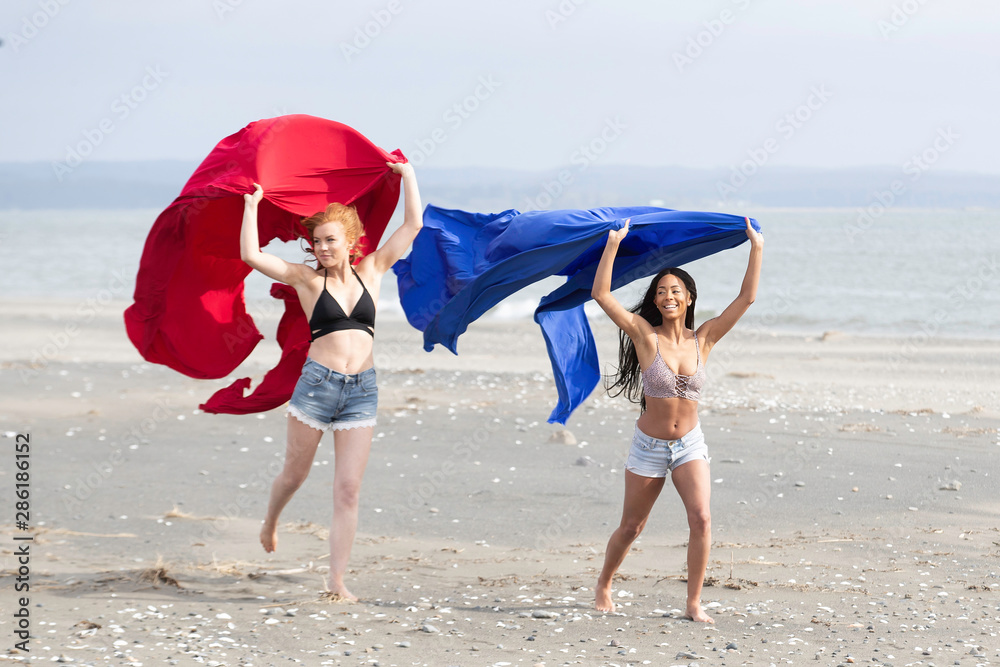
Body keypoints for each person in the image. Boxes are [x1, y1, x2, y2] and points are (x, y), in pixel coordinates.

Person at [240, 161, 421, 601]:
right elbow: (251, 256)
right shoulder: (305, 280)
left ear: (350, 241)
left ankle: (336, 580)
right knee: (294, 475)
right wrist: (251, 206)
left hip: (362, 392)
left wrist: (408, 176)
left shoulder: (374, 270)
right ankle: (270, 520)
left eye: (329, 240)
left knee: (348, 490)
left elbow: (413, 223)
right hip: (317, 387)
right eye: (316, 241)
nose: (321, 248)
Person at [591, 217, 763, 620]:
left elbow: (747, 298)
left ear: (688, 298)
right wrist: (614, 244)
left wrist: (756, 246)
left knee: (701, 518)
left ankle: (693, 603)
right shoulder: (642, 334)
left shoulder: (705, 337)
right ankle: (604, 583)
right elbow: (601, 293)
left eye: (676, 290)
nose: (668, 296)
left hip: (690, 443)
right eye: (661, 291)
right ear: (656, 299)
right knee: (632, 527)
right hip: (649, 447)